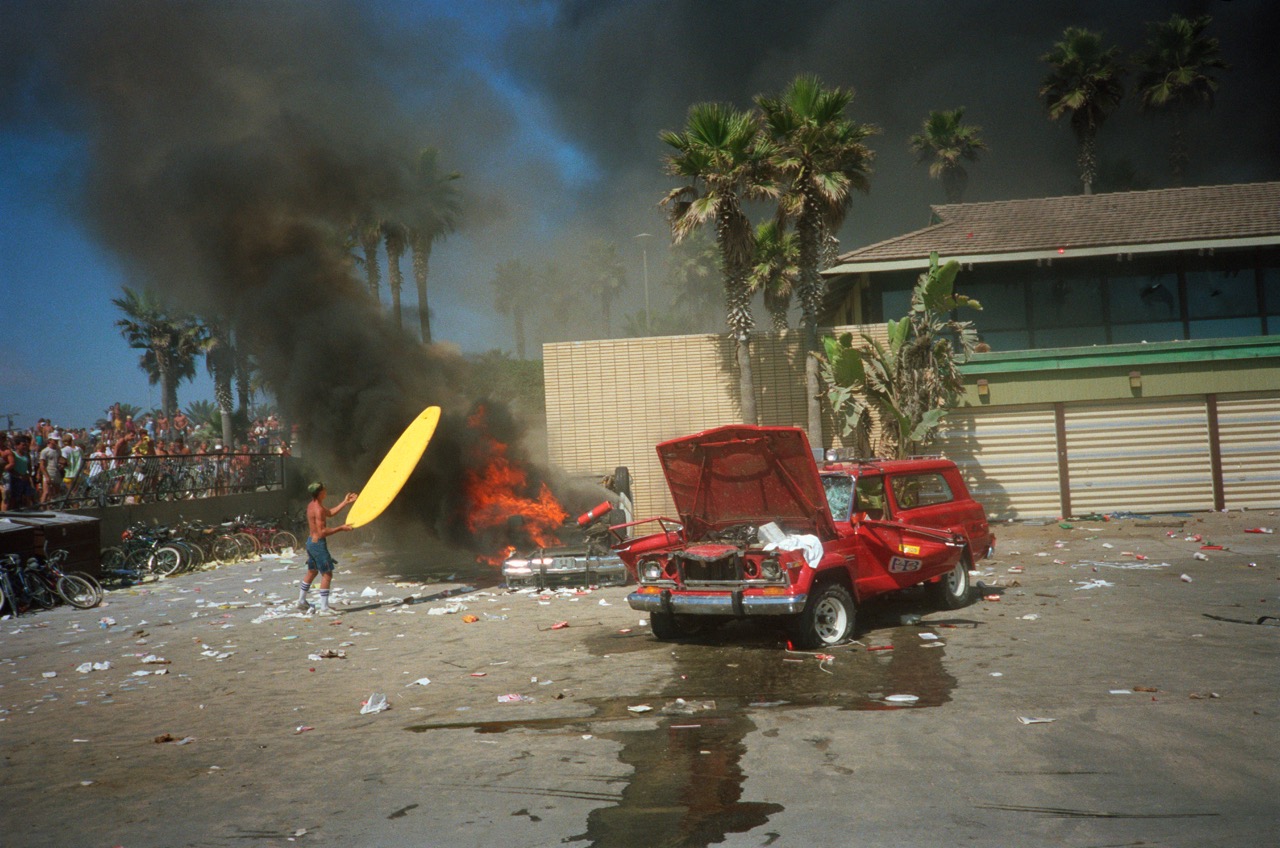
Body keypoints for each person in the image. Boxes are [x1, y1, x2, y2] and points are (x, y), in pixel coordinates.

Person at [296, 482, 357, 615]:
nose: (326, 491)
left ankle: (301, 601)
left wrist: (345, 502)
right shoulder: (318, 509)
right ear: (320, 493)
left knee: (312, 571)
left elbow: (329, 513)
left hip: (310, 542)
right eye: (324, 490)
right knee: (327, 574)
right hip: (318, 545)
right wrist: (341, 528)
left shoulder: (312, 505)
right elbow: (323, 532)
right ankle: (324, 608)